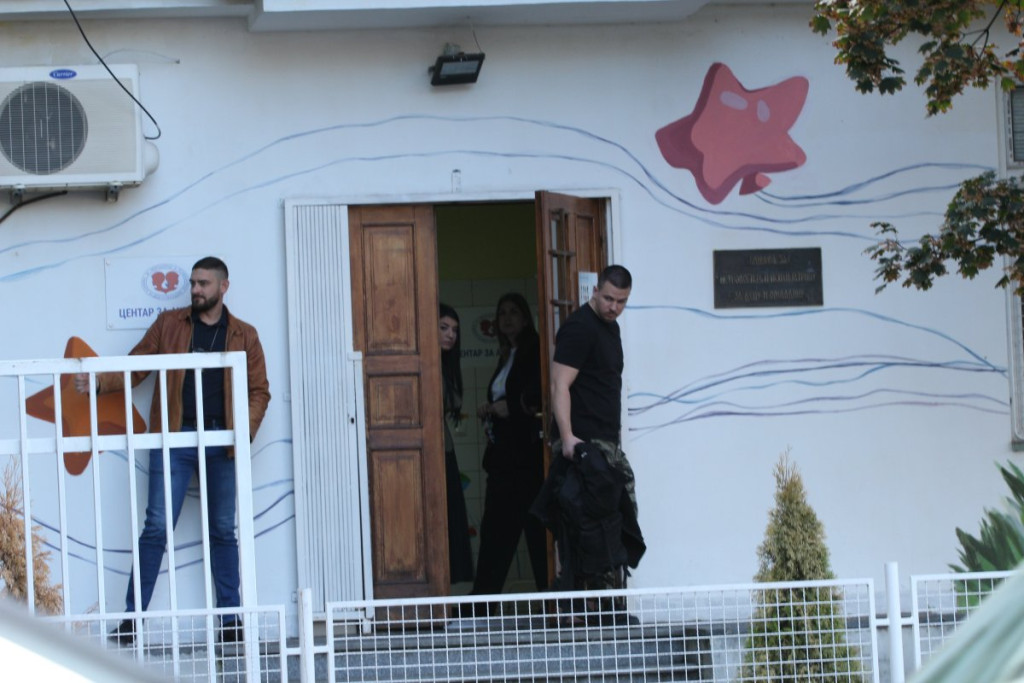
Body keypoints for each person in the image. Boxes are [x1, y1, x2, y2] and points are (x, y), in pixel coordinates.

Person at [75, 256, 271, 645]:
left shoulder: (244, 335)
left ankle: (230, 623)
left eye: (203, 284)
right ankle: (132, 621)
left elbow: (259, 391)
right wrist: (99, 383)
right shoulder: (169, 325)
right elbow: (137, 366)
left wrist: (240, 433)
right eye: (193, 283)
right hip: (174, 437)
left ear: (223, 287)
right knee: (156, 528)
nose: (195, 290)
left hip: (221, 442)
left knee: (222, 531)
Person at [548, 264, 638, 593]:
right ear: (596, 291)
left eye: (622, 301)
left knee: (610, 524)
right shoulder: (580, 327)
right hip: (583, 445)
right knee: (582, 528)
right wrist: (568, 438)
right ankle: (576, 604)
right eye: (609, 298)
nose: (614, 307)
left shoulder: (610, 329)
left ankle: (601, 603)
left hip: (605, 443)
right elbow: (559, 385)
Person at [469, 293, 547, 602]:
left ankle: (552, 601)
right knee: (495, 532)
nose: (507, 318)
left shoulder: (535, 350)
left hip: (527, 458)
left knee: (537, 531)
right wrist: (490, 408)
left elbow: (540, 393)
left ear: (526, 318)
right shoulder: (507, 354)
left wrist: (511, 407)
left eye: (514, 312)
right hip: (503, 458)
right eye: (502, 313)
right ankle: (482, 603)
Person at [439, 303, 474, 584]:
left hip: (445, 450)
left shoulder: (446, 365)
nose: (451, 335)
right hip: (435, 452)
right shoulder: (428, 364)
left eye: (455, 330)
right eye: (443, 328)